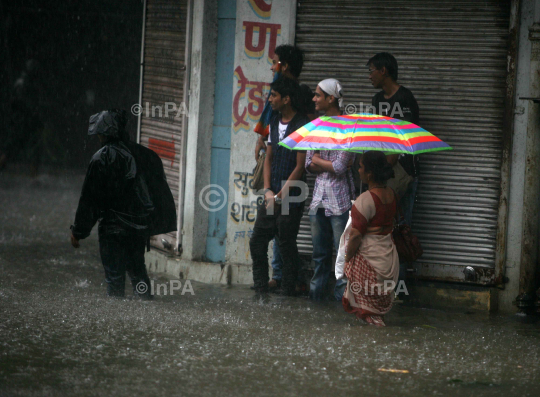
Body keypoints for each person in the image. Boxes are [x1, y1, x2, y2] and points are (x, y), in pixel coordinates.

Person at [70, 109, 177, 298]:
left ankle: (117, 322)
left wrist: (78, 232)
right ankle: (146, 316)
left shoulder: (100, 158)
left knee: (114, 280)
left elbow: (89, 200)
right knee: (138, 274)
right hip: (137, 230)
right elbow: (158, 193)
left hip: (111, 231)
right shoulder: (144, 155)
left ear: (103, 134)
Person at [253, 44, 315, 291]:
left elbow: (300, 166)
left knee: (285, 238)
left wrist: (279, 196)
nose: (272, 66)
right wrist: (269, 191)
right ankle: (267, 283)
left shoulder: (301, 115)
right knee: (261, 238)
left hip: (291, 189)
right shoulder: (276, 116)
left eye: (275, 61)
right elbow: (269, 154)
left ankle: (287, 285)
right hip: (275, 188)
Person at [305, 79, 355, 301]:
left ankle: (341, 305)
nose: (314, 99)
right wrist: (321, 161)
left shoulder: (348, 127)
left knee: (342, 257)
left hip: (340, 201)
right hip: (318, 201)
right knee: (319, 256)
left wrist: (319, 159)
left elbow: (340, 166)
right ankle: (317, 301)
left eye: (318, 95)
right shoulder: (316, 125)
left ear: (330, 98)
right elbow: (308, 162)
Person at [342, 151, 399, 326]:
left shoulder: (365, 200)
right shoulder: (391, 193)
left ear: (369, 173)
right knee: (375, 311)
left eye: (360, 167)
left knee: (367, 310)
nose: (357, 170)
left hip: (370, 259)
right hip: (388, 258)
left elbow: (356, 236)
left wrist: (347, 259)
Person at [367, 52, 419, 226]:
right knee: (381, 221)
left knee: (401, 226)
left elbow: (407, 136)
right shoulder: (377, 100)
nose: (369, 76)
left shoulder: (405, 98)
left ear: (383, 71)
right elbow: (376, 133)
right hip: (383, 168)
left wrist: (387, 162)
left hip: (402, 169)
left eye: (371, 71)